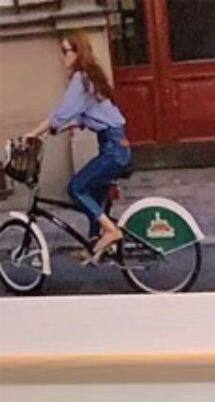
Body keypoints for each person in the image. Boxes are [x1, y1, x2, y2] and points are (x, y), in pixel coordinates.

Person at [27, 30, 132, 264]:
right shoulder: (90, 78)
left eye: (66, 51)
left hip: (113, 149)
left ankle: (111, 232)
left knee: (76, 188)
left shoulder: (81, 79)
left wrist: (32, 133)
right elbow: (86, 115)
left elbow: (61, 113)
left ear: (78, 53)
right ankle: (95, 245)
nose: (63, 56)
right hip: (115, 145)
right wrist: (61, 128)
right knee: (93, 193)